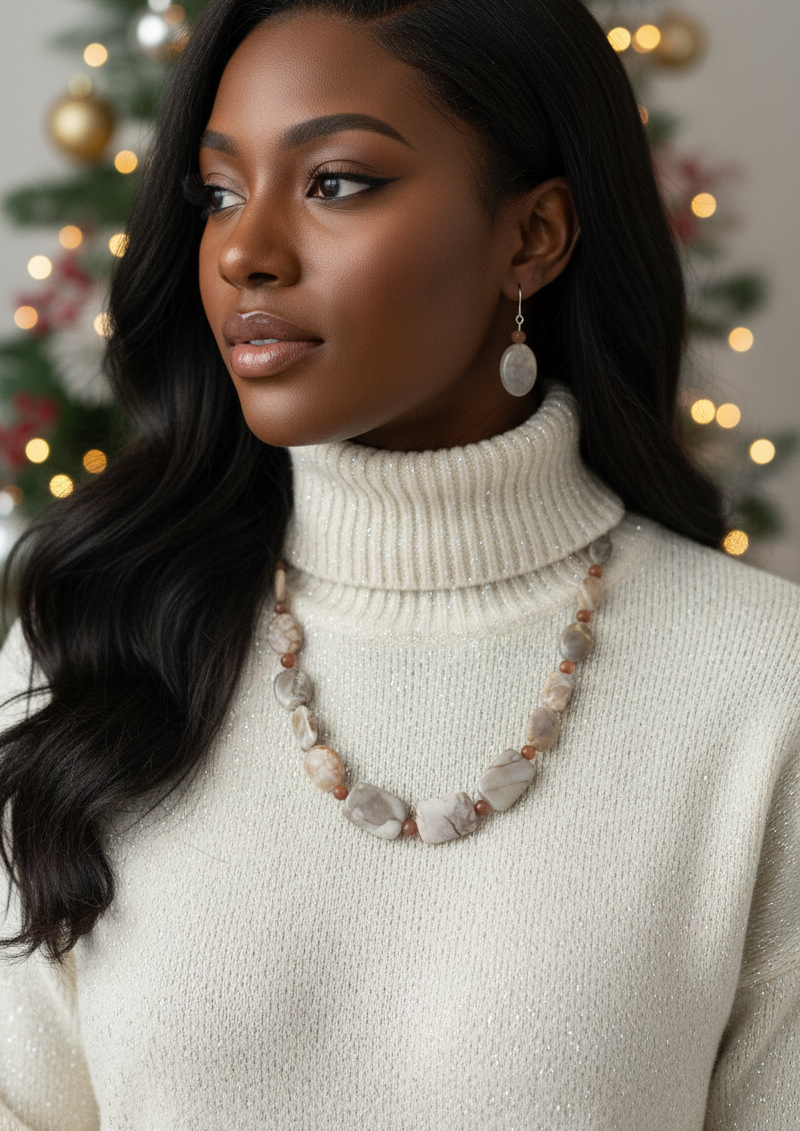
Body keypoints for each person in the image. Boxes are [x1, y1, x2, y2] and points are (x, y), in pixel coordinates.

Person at [0, 0, 798, 1126]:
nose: (245, 253)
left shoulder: (764, 684)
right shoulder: (93, 636)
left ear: (532, 237)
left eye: (333, 181)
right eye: (218, 195)